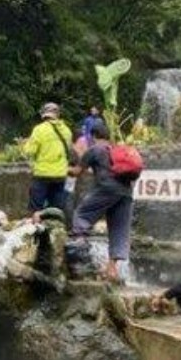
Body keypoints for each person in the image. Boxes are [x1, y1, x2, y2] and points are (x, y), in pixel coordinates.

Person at [69, 121, 135, 283]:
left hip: (107, 189)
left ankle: (80, 249)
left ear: (93, 136)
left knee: (82, 214)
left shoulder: (94, 150)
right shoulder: (116, 150)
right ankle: (111, 269)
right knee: (119, 229)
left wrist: (62, 168)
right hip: (126, 193)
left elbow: (76, 172)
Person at [23, 102, 75, 215]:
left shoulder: (39, 129)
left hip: (42, 174)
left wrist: (26, 144)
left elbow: (29, 151)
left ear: (44, 114)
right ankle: (56, 229)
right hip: (60, 174)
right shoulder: (66, 130)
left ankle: (36, 229)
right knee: (56, 209)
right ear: (57, 114)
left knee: (36, 209)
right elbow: (70, 150)